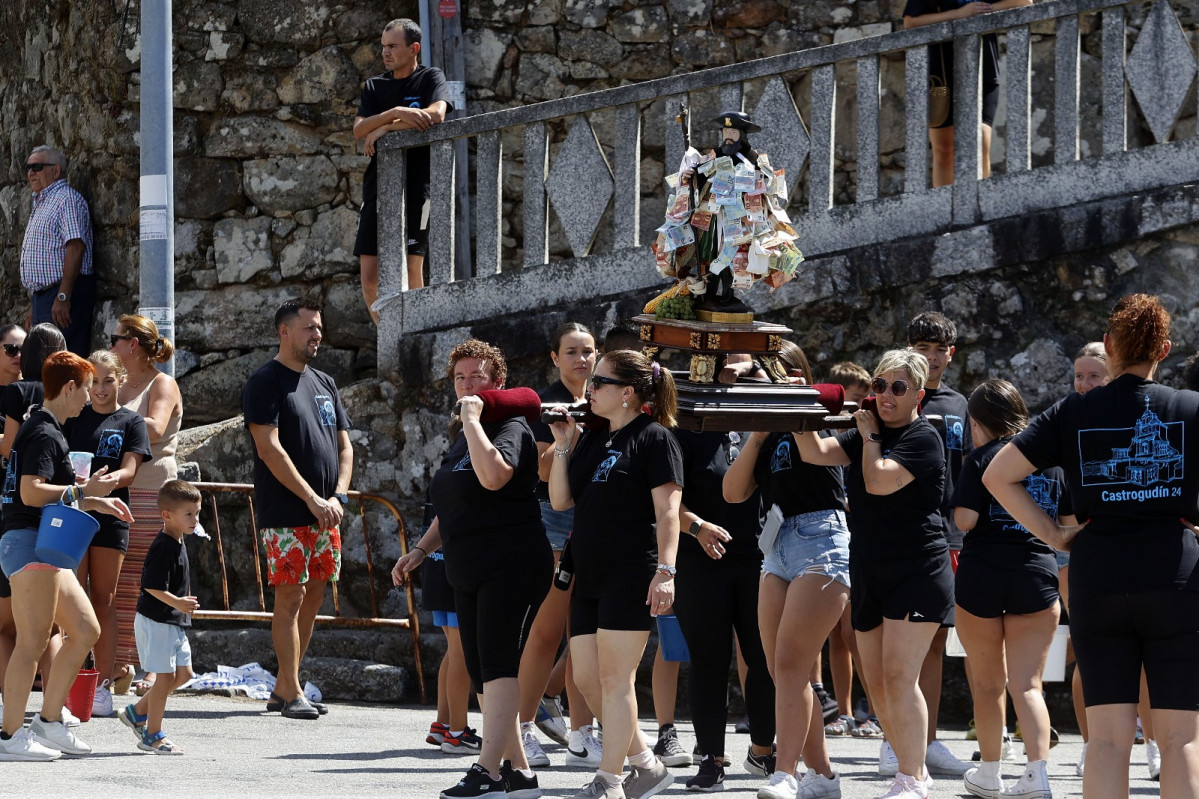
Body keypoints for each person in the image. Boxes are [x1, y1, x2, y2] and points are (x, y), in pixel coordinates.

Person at [985, 294, 1199, 799]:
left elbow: (998, 475)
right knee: (1181, 739)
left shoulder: (1073, 412)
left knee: (1104, 741)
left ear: (1109, 346)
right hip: (1175, 573)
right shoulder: (1190, 408)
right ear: (1163, 350)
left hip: (1098, 573)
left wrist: (1056, 535)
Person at [392, 338, 552, 799]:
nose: (466, 384)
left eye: (476, 376)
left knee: (499, 664)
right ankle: (519, 773)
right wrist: (420, 550)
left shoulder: (511, 427)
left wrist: (472, 419)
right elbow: (453, 505)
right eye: (460, 377)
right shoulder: (466, 435)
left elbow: (494, 476)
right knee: (482, 669)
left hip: (512, 562)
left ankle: (488, 771)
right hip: (467, 564)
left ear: (496, 383)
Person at [795, 349, 950, 799]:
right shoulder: (870, 431)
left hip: (917, 568)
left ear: (918, 394)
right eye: (879, 386)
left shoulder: (922, 438)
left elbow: (879, 480)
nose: (884, 396)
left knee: (901, 677)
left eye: (896, 388)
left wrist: (867, 437)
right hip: (869, 566)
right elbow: (816, 452)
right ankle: (908, 767)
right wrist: (799, 409)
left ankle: (914, 775)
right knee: (878, 682)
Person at [547, 349, 682, 799]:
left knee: (615, 679)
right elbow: (562, 501)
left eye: (600, 382)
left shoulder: (655, 438)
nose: (590, 389)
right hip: (588, 571)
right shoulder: (595, 437)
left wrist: (666, 571)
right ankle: (646, 763)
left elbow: (668, 513)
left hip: (630, 571)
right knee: (585, 678)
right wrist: (564, 443)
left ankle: (609, 781)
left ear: (627, 393)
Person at [723, 341, 846, 799]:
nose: (744, 385)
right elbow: (734, 493)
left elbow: (818, 450)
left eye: (752, 375)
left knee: (793, 664)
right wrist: (757, 431)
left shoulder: (814, 413)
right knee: (781, 670)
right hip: (775, 546)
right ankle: (824, 775)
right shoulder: (764, 430)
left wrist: (793, 401)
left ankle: (786, 772)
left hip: (822, 538)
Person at [0, 351, 131, 760]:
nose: (91, 398)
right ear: (70, 388)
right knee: (32, 642)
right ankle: (9, 737)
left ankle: (50, 722)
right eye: (87, 389)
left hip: (44, 544)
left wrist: (96, 501)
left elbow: (59, 494)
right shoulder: (43, 431)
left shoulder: (49, 428)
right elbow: (30, 492)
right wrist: (81, 493)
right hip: (29, 543)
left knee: (86, 628)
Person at [951, 380, 1073, 799]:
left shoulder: (981, 459)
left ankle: (989, 773)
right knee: (1029, 685)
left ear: (977, 420)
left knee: (987, 685)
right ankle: (1037, 776)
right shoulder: (1053, 462)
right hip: (1037, 575)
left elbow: (964, 520)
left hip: (982, 576)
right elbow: (1070, 525)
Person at [243, 298, 351, 720]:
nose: (317, 334)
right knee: (290, 596)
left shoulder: (324, 381)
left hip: (328, 512)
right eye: (308, 327)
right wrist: (311, 498)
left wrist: (338, 496)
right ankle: (290, 692)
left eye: (319, 327)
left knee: (316, 593)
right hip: (287, 511)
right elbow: (269, 448)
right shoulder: (264, 381)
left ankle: (287, 685)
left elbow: (345, 444)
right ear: (284, 331)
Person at [519, 322, 602, 769]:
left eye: (588, 351)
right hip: (553, 519)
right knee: (549, 630)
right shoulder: (544, 405)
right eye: (571, 352)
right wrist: (564, 436)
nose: (581, 360)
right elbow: (542, 471)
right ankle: (523, 728)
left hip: (594, 519)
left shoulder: (606, 399)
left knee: (583, 634)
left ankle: (581, 733)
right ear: (554, 357)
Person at [64, 350, 151, 716]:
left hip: (112, 516)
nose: (100, 389)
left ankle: (100, 684)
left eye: (107, 380)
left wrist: (104, 484)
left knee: (104, 598)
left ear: (121, 381)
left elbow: (130, 471)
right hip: (73, 512)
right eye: (94, 381)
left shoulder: (131, 421)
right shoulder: (73, 416)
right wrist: (80, 487)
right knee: (69, 600)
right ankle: (66, 682)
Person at [905, 312, 972, 779]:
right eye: (921, 348)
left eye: (938, 349)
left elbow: (969, 467)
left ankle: (924, 742)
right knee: (888, 639)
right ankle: (895, 738)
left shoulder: (960, 404)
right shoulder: (892, 391)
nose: (929, 358)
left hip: (946, 533)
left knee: (933, 642)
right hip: (896, 529)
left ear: (951, 354)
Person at [353, 17, 453, 315]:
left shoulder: (430, 78)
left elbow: (435, 115)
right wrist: (397, 112)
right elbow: (359, 130)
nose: (386, 53)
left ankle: (415, 335)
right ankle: (387, 336)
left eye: (393, 46)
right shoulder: (374, 86)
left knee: (412, 270)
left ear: (414, 48)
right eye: (383, 47)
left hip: (417, 186)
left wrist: (384, 127)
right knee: (370, 275)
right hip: (378, 187)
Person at [111, 314, 183, 688]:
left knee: (153, 580)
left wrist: (108, 418)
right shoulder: (118, 384)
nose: (111, 346)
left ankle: (157, 668)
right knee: (119, 583)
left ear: (133, 344)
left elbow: (154, 428)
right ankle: (122, 664)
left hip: (153, 494)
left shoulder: (162, 383)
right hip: (120, 491)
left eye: (115, 339)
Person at [0, 323, 67, 700]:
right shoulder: (62, 395)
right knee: (55, 627)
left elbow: (9, 447)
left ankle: (12, 706)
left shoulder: (17, 392)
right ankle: (56, 707)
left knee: (12, 628)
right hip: (56, 517)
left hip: (16, 512)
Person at [902, 2, 1032, 187]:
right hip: (940, 76)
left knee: (981, 142)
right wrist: (959, 14)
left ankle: (981, 207)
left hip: (984, 70)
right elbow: (910, 22)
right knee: (944, 150)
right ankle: (944, 211)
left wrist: (983, 12)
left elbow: (1024, 2)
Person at [117, 479, 201, 754]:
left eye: (196, 513)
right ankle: (152, 734)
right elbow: (151, 586)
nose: (194, 519)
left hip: (173, 622)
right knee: (164, 677)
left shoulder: (178, 541)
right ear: (167, 515)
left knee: (184, 674)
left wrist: (180, 606)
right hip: (157, 620)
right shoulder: (164, 545)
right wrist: (177, 602)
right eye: (188, 514)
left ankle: (136, 712)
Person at [1063, 340, 1109, 776]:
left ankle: (1151, 745)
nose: (1084, 383)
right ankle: (1090, 743)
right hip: (1072, 549)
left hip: (1126, 548)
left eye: (1094, 375)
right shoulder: (1065, 418)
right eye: (1079, 375)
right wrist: (1056, 534)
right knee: (1085, 648)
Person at [20, 146, 95, 356]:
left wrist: (63, 296)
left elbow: (76, 246)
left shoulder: (66, 200)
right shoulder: (43, 202)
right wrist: (35, 303)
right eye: (28, 167)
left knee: (61, 362)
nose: (30, 173)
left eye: (37, 166)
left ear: (56, 170)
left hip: (64, 294)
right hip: (45, 297)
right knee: (43, 364)